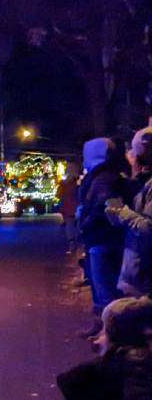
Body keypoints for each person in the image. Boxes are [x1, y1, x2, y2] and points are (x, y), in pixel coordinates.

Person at [57, 296, 152, 399]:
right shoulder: (125, 358)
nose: (100, 335)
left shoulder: (133, 361)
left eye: (104, 330)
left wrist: (105, 354)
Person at [79, 138, 128, 333]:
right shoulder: (102, 175)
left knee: (104, 289)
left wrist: (87, 221)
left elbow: (105, 206)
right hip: (100, 238)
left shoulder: (104, 177)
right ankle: (102, 327)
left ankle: (110, 335)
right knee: (99, 286)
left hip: (102, 239)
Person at [110, 127, 152, 298]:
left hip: (145, 274)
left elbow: (149, 228)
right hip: (139, 272)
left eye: (135, 154)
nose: (131, 159)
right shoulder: (142, 182)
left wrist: (122, 212)